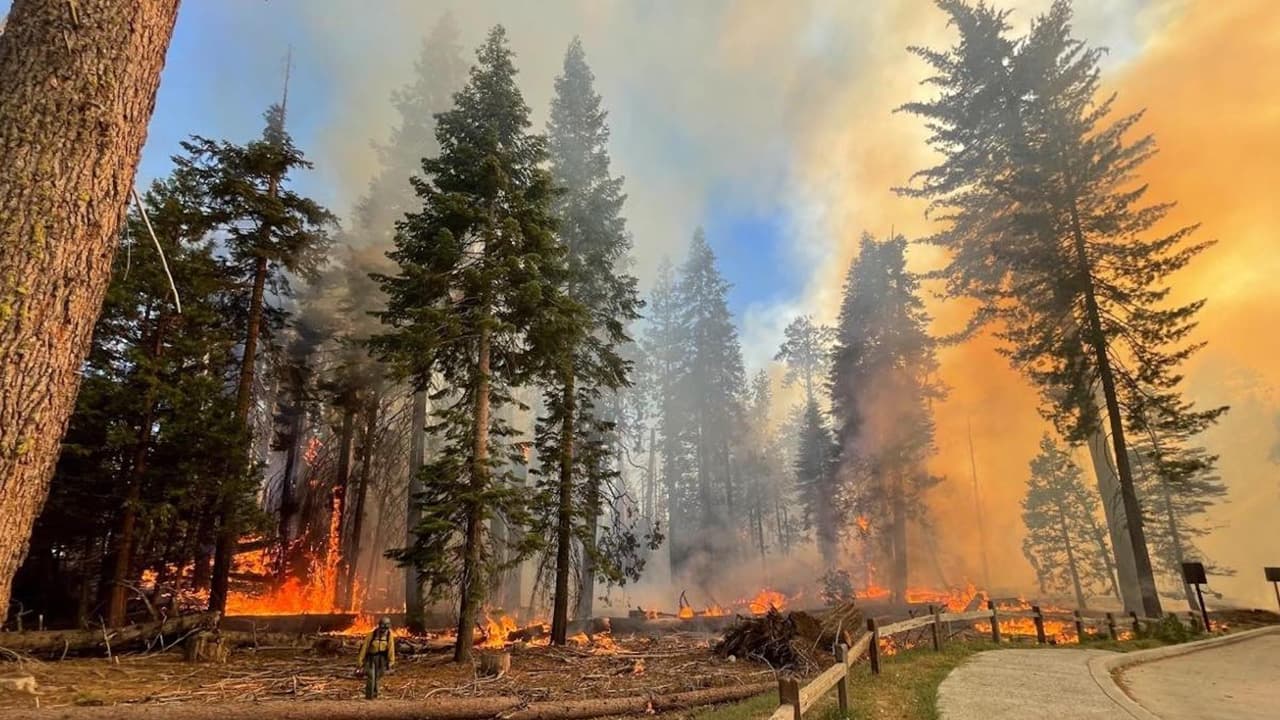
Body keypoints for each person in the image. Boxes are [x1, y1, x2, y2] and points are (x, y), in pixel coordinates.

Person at [356, 617, 396, 699]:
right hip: (371, 658)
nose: (384, 630)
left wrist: (391, 661)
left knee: (377, 676)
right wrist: (360, 661)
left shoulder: (389, 636)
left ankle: (375, 693)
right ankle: (369, 696)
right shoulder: (372, 635)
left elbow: (391, 649)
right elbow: (364, 648)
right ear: (379, 626)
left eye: (386, 628)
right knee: (371, 676)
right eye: (382, 627)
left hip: (382, 659)